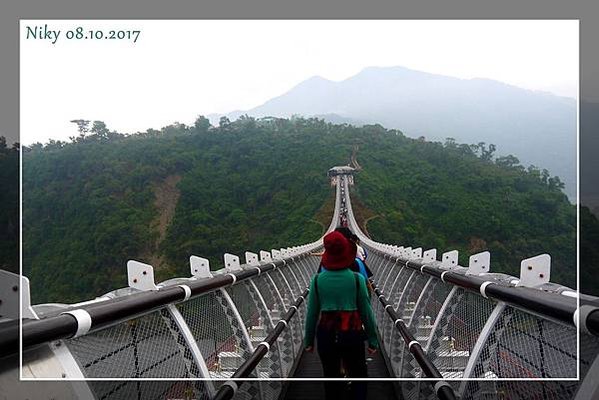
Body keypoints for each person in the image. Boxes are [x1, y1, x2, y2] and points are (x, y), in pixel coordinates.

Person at [304, 231, 378, 400]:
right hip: (352, 331)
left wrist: (308, 341)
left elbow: (312, 314)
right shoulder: (357, 279)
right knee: (359, 373)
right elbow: (366, 313)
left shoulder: (316, 281)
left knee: (330, 376)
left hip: (326, 333)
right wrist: (373, 339)